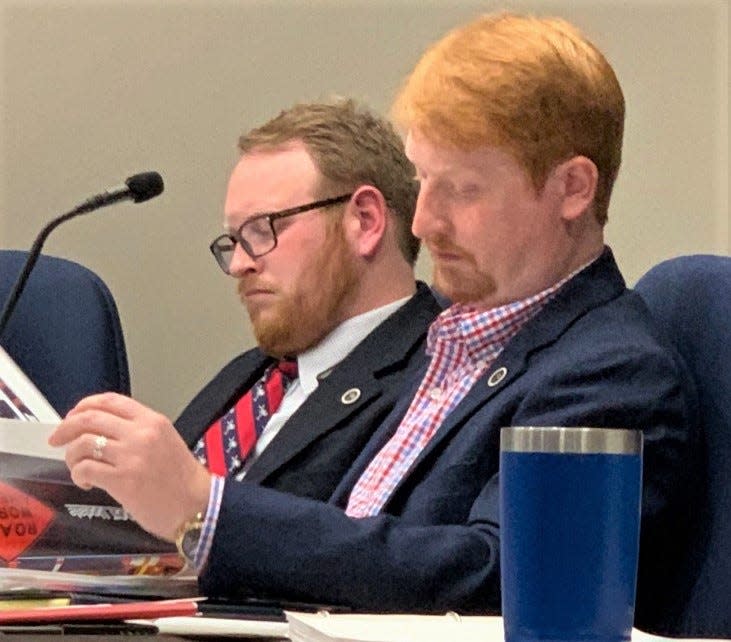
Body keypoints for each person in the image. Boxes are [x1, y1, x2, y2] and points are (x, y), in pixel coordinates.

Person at [50, 13, 696, 624]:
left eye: (461, 190)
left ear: (572, 189)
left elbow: (496, 576)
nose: (421, 223)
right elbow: (353, 539)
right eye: (422, 185)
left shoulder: (611, 373)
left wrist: (205, 509)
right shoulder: (448, 339)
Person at [173, 99, 442, 500]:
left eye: (263, 229)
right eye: (234, 239)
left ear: (365, 221)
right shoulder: (249, 377)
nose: (240, 264)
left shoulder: (437, 379)